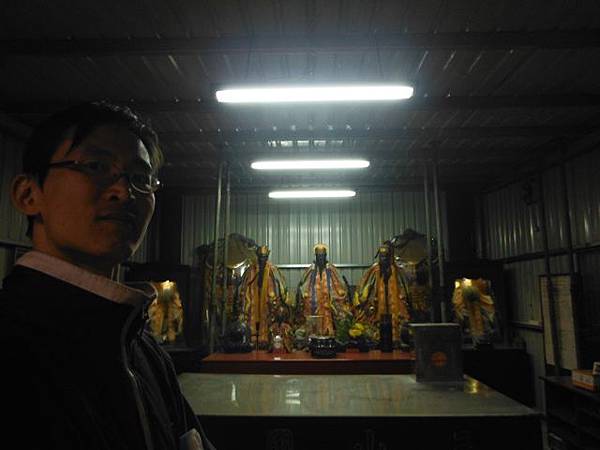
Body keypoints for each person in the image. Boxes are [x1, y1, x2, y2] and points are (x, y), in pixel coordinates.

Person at [0, 101, 214, 450]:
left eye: (140, 179)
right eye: (96, 166)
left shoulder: (143, 349)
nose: (124, 192)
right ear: (28, 194)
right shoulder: (13, 341)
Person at [355, 244, 411, 347]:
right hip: (377, 306)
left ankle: (396, 339)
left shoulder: (396, 270)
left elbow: (404, 287)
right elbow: (364, 285)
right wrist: (364, 300)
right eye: (381, 256)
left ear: (390, 257)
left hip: (395, 305)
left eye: (385, 256)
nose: (383, 259)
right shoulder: (374, 270)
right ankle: (377, 339)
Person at [235, 245, 290, 349]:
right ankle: (251, 341)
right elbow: (243, 287)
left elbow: (281, 287)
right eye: (260, 257)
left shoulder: (273, 271)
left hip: (268, 307)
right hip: (253, 304)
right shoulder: (250, 271)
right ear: (257, 256)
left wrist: (281, 303)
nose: (262, 259)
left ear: (267, 257)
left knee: (268, 321)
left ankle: (267, 342)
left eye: (264, 257)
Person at [295, 243, 351, 338]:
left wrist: (336, 298)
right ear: (315, 256)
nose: (320, 258)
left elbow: (340, 286)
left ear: (325, 256)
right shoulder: (310, 270)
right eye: (318, 256)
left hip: (328, 307)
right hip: (314, 307)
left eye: (322, 256)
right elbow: (303, 285)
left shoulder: (332, 270)